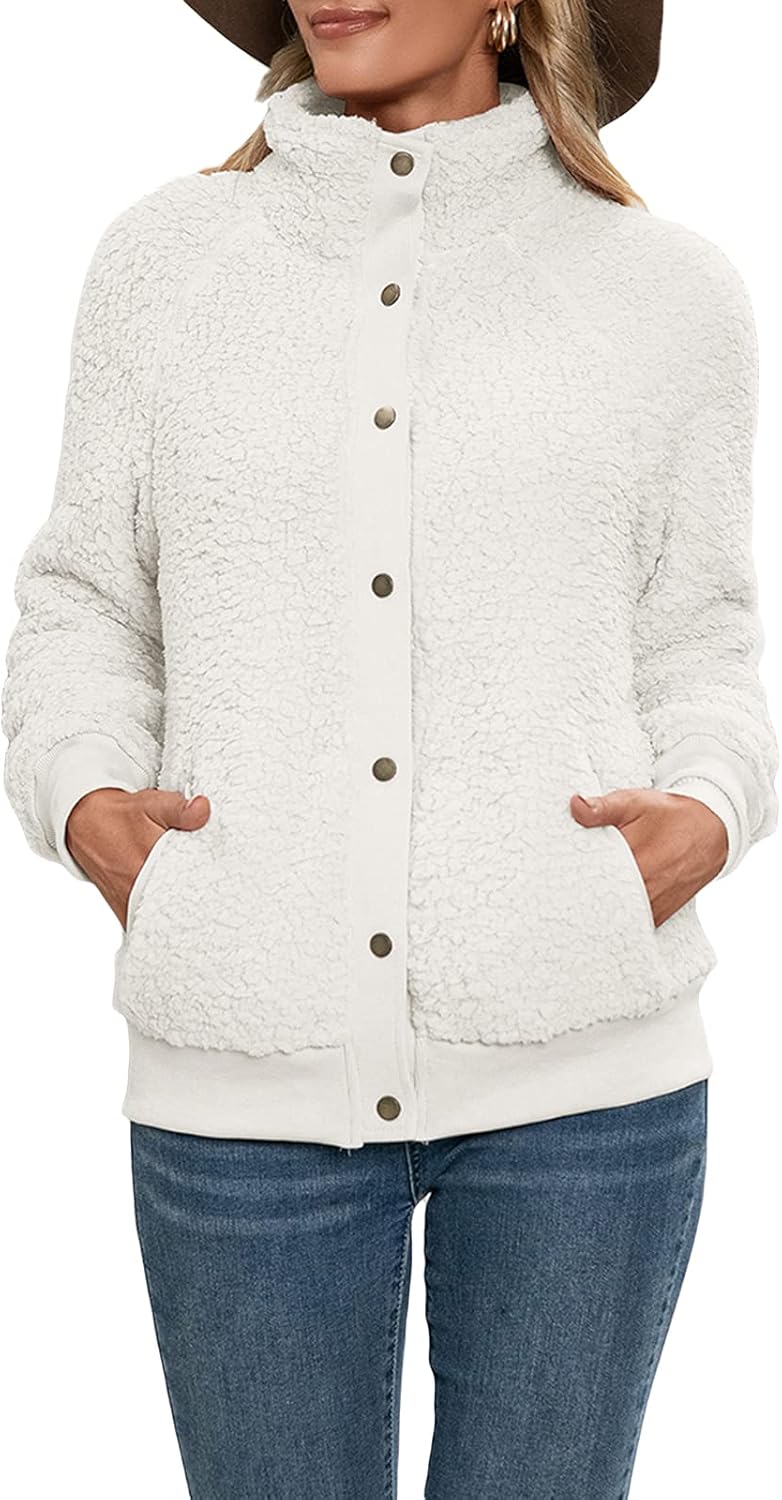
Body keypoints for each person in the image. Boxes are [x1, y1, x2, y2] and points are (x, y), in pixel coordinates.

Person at [3, 1, 778, 1495]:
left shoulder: (665, 290)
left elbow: (700, 638)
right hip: (242, 1070)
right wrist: (86, 798)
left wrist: (708, 806)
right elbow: (86, 601)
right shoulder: (165, 266)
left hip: (582, 1082)